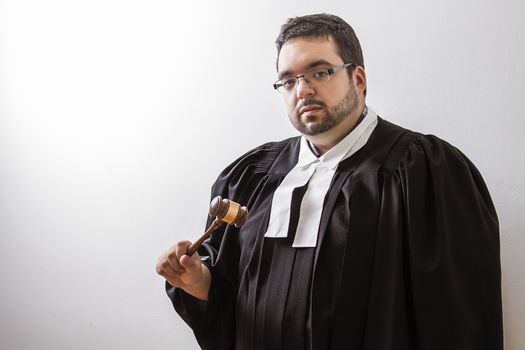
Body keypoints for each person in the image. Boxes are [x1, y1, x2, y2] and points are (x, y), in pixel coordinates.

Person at [156, 13, 503, 350]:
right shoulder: (248, 179)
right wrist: (199, 282)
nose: (302, 90)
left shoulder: (422, 171)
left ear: (359, 79)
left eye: (319, 72)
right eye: (288, 80)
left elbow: (456, 320)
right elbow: (229, 305)